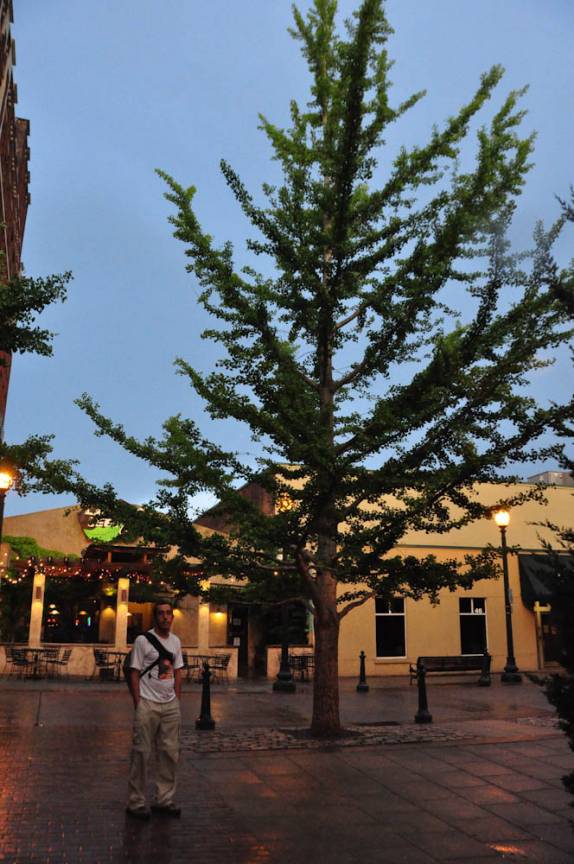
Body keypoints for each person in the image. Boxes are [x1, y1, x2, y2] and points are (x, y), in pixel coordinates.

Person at [126, 601, 184, 819]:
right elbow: (134, 671)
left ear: (172, 617)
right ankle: (136, 802)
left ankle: (164, 799)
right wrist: (138, 702)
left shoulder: (176, 641)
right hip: (147, 703)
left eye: (169, 613)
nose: (165, 617)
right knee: (141, 752)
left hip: (170, 705)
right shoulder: (142, 641)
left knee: (170, 752)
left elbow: (178, 671)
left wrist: (176, 699)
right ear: (155, 617)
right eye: (161, 613)